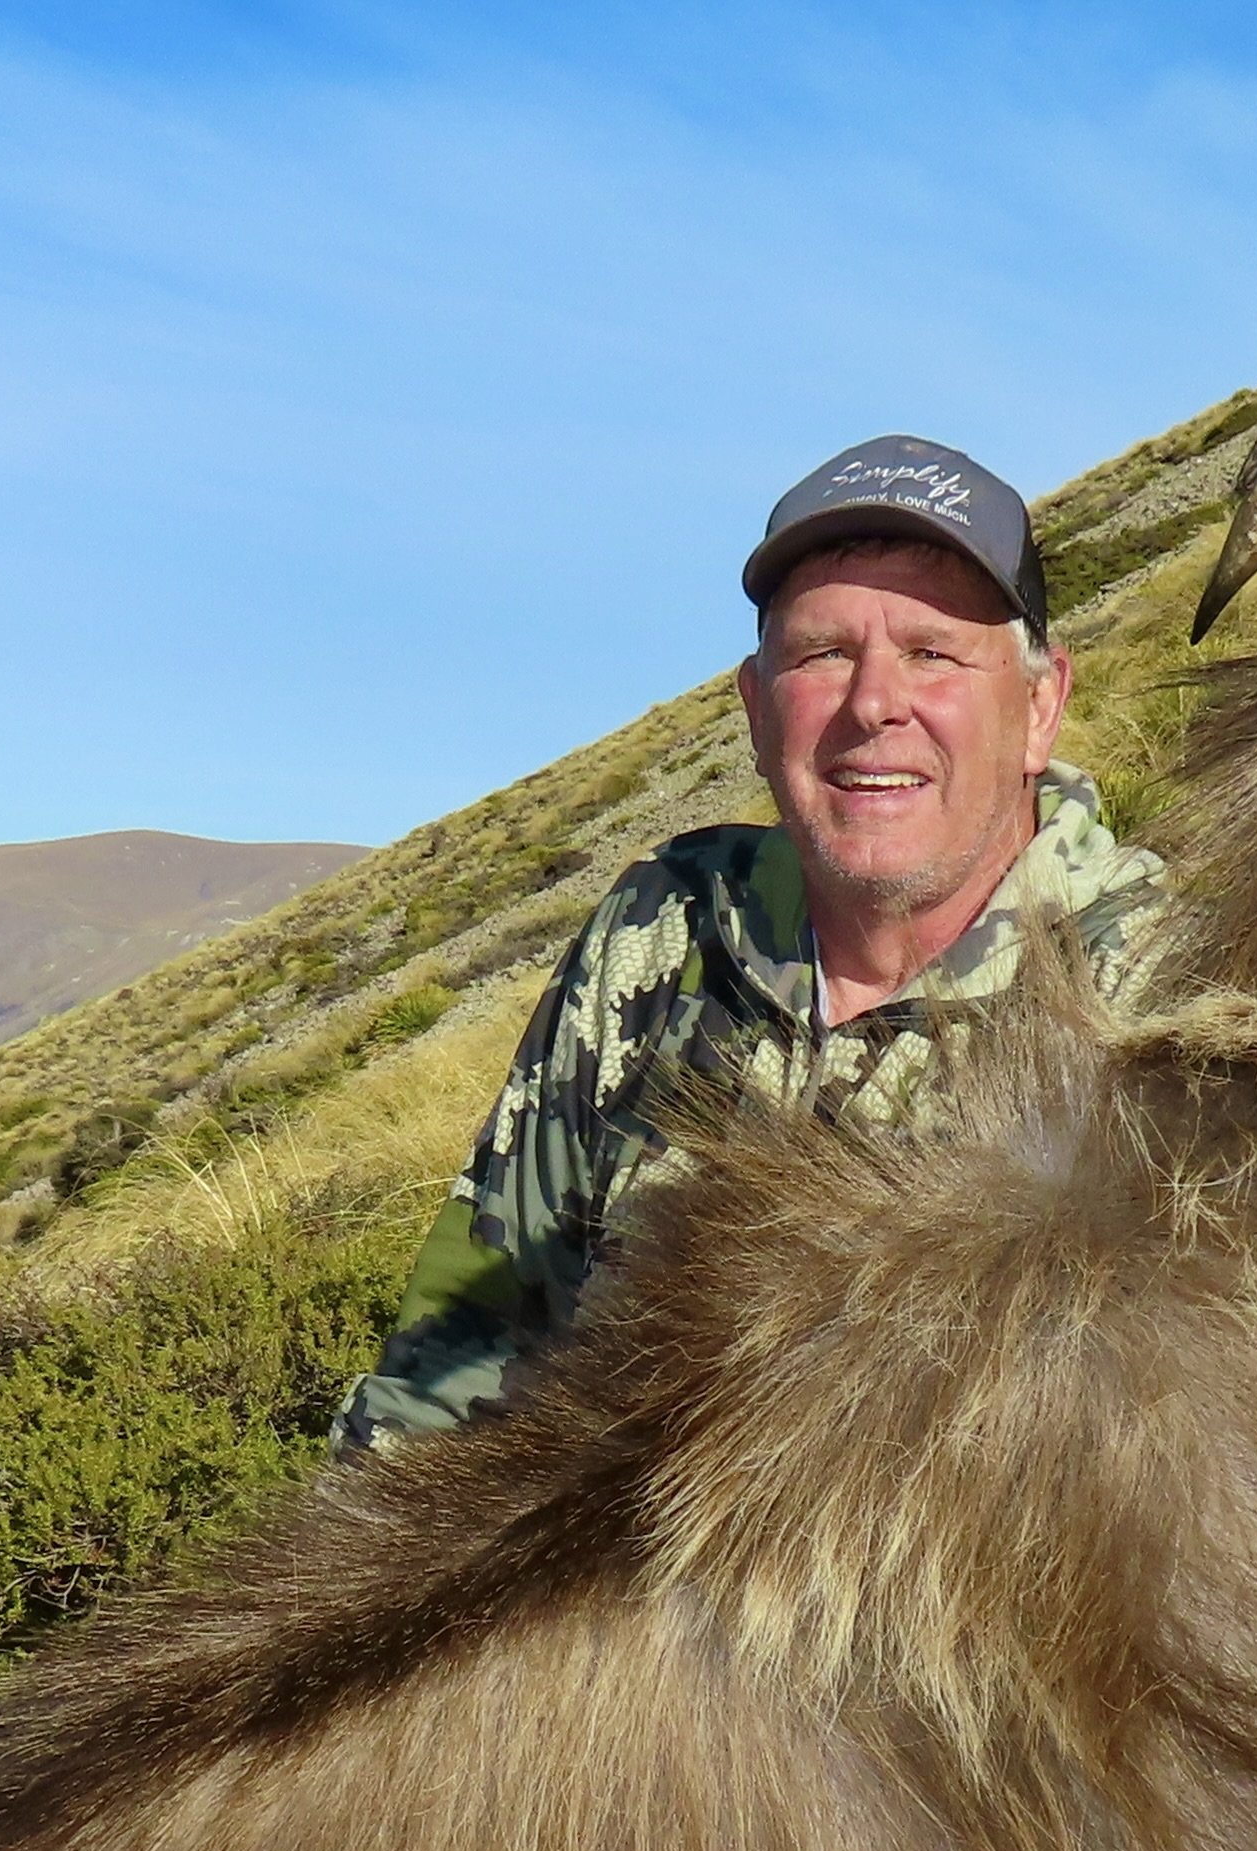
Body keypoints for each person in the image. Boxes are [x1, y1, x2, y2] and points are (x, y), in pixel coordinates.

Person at [333, 435, 1176, 1449]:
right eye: (823, 652)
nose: (873, 703)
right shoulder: (663, 926)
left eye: (932, 652)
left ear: (1039, 706)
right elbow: (456, 1362)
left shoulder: (1166, 1012)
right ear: (754, 708)